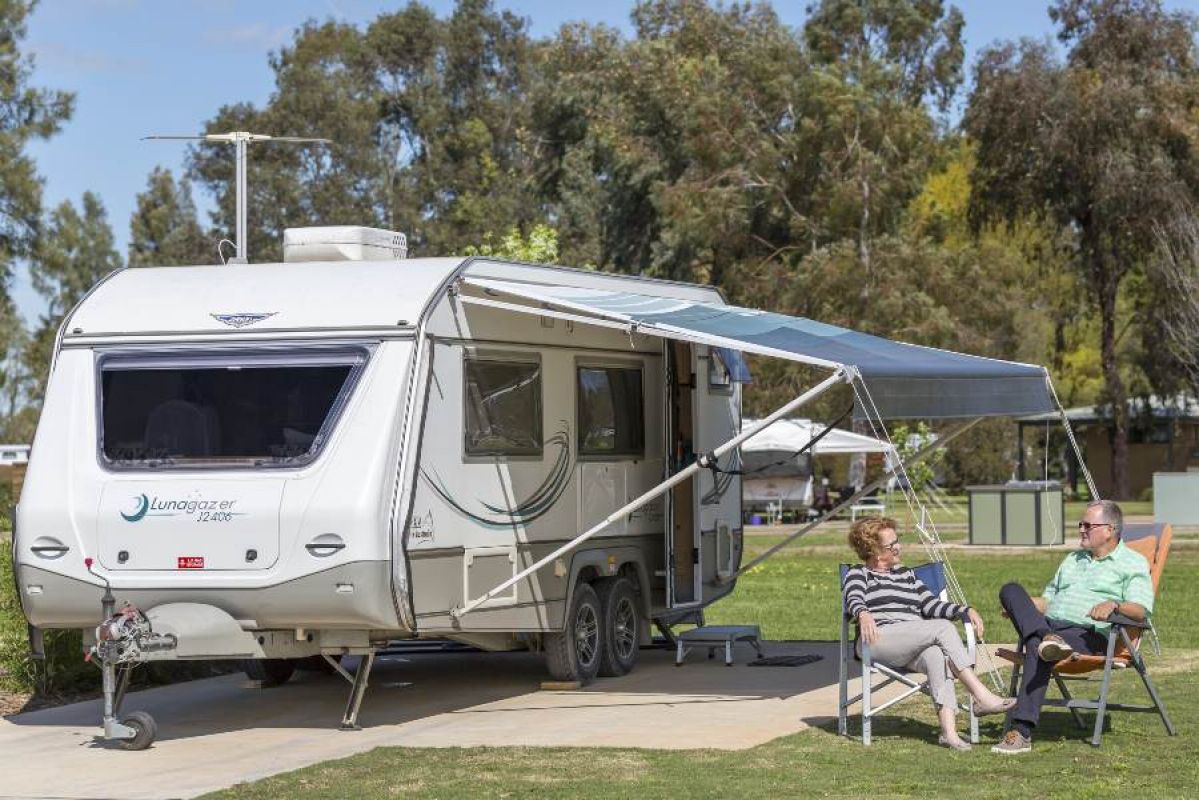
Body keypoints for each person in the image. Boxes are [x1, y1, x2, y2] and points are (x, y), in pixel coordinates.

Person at [992, 499, 1153, 754]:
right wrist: (1021, 605)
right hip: (1050, 626)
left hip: (1088, 636)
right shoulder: (1072, 559)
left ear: (1109, 530)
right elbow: (1047, 601)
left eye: (1088, 525)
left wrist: (1114, 605)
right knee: (1010, 590)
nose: (1081, 529)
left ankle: (1021, 730)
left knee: (1035, 645)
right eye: (1081, 524)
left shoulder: (1132, 563)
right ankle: (1049, 639)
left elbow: (1141, 610)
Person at [843, 517, 1015, 750]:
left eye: (897, 541)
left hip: (913, 639)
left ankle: (949, 733)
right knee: (942, 627)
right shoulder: (858, 574)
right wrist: (863, 613)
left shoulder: (906, 574)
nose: (898, 547)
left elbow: (931, 605)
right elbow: (853, 598)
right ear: (874, 551)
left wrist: (964, 610)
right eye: (891, 544)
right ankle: (980, 696)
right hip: (878, 639)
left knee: (936, 654)